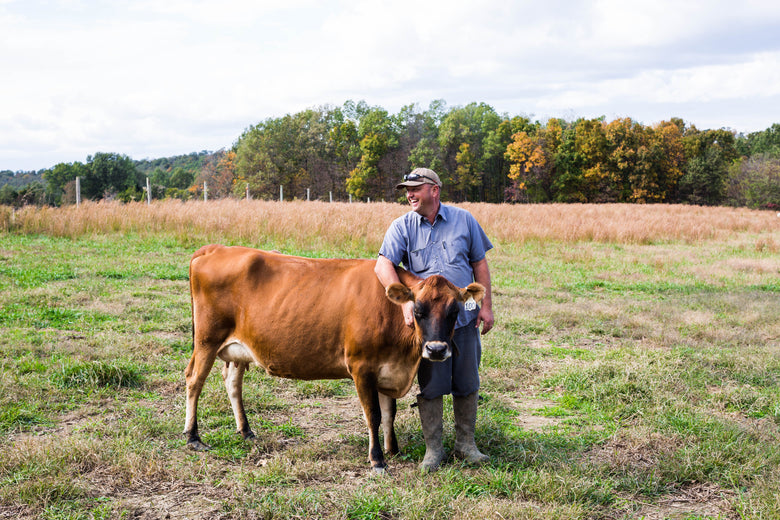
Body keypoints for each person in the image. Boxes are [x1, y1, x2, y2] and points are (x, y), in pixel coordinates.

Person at [374, 167, 494, 472]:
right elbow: (383, 264)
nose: (410, 195)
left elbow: (480, 263)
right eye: (407, 191)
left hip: (462, 314)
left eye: (415, 189)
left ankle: (466, 445)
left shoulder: (464, 220)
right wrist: (406, 304)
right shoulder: (402, 226)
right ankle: (434, 450)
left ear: (434, 190)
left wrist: (486, 306)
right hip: (428, 323)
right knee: (432, 384)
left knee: (467, 380)